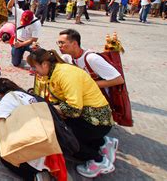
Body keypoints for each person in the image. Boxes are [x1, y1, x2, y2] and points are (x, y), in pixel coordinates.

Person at [26, 48, 115, 178]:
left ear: (44, 64)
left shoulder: (64, 74)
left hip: (97, 120)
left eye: (35, 67)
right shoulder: (56, 71)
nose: (34, 71)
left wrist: (52, 108)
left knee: (60, 135)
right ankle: (101, 143)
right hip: (90, 116)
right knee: (57, 120)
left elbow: (74, 109)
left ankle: (98, 160)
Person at [0, 78, 56, 180]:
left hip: (31, 147)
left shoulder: (9, 98)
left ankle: (34, 175)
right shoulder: (28, 96)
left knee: (4, 157)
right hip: (46, 142)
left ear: (0, 94)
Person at [57, 29, 125, 95]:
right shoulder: (66, 58)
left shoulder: (92, 58)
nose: (59, 46)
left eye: (62, 43)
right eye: (58, 43)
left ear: (74, 43)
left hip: (101, 99)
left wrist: (84, 85)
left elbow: (118, 80)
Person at [8, 0, 42, 68]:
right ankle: (19, 56)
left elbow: (34, 39)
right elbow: (9, 7)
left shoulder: (36, 24)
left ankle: (34, 62)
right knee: (15, 63)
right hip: (18, 41)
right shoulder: (20, 12)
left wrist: (22, 44)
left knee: (36, 49)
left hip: (29, 42)